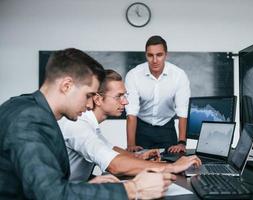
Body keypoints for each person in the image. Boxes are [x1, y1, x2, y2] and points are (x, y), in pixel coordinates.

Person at [0, 48, 176, 199]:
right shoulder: (30, 118)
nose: (90, 104)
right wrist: (132, 189)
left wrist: (90, 184)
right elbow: (50, 194)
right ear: (67, 86)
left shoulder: (25, 106)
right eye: (88, 95)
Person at [58, 69, 201, 182]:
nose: (125, 102)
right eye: (119, 96)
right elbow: (115, 165)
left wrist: (139, 157)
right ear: (98, 99)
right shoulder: (78, 125)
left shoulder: (89, 123)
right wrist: (172, 167)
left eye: (125, 96)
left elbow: (111, 149)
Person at [125, 35, 191, 153]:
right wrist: (131, 145)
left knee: (172, 165)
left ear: (166, 54)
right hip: (141, 128)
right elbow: (131, 114)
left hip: (167, 128)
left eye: (159, 55)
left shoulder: (179, 75)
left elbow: (183, 112)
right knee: (138, 166)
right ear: (146, 55)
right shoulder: (133, 75)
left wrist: (181, 142)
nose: (155, 60)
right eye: (150, 55)